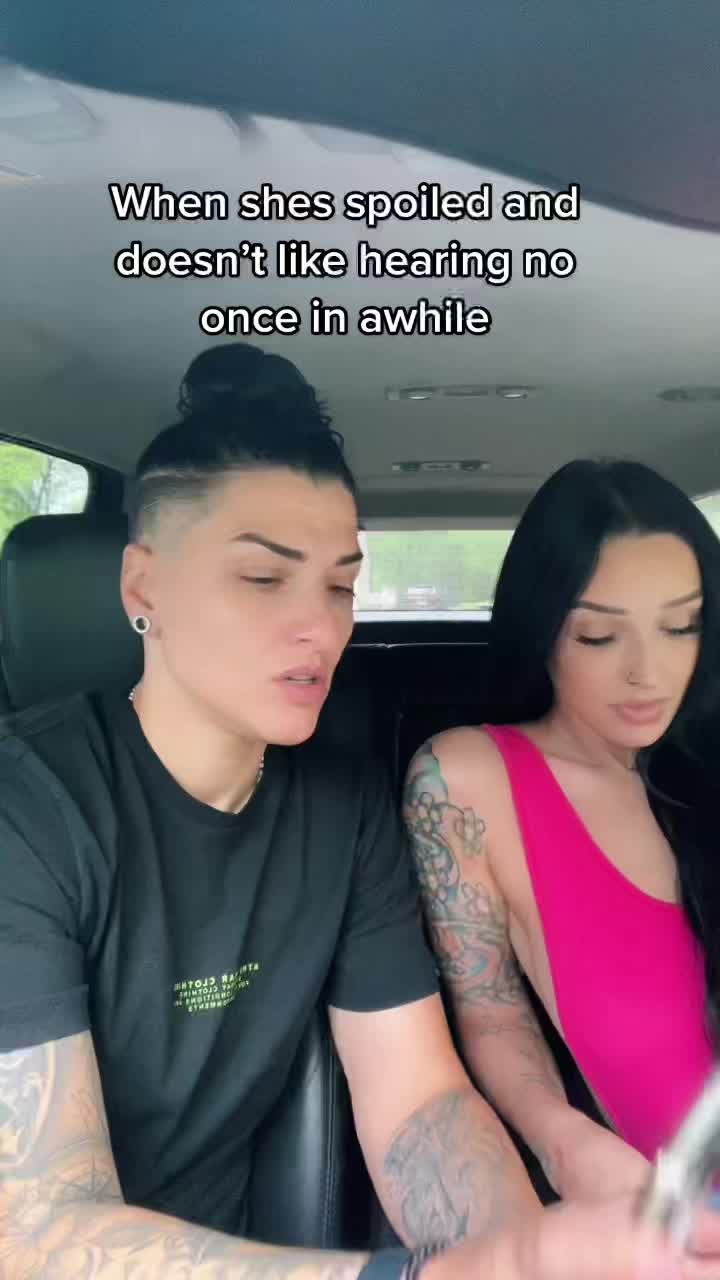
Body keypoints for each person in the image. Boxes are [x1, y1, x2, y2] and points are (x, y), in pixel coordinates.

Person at [0, 365, 708, 1280]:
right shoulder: (28, 808)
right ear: (144, 587)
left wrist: (522, 1253)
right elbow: (35, 1227)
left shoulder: (342, 806)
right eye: (264, 577)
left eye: (340, 587)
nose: (321, 627)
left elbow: (419, 1104)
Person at [403, 459, 720, 1211]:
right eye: (600, 636)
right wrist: (561, 1139)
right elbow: (492, 1012)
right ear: (542, 632)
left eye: (681, 626)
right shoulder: (468, 781)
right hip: (669, 1228)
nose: (649, 673)